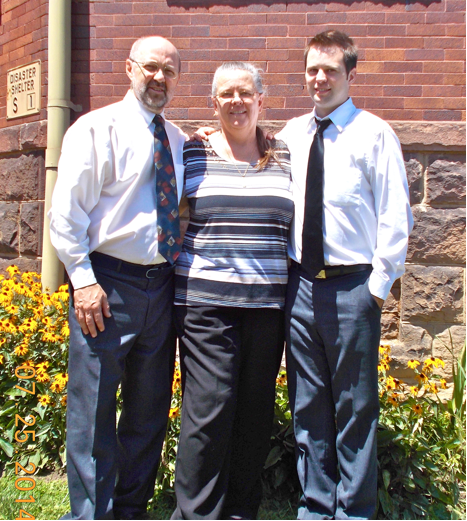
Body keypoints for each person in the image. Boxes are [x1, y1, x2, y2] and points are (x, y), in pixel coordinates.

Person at [276, 31, 414, 520]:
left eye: (330, 70)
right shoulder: (291, 134)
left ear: (350, 75)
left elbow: (397, 218)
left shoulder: (374, 133)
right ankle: (316, 505)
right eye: (312, 68)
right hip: (301, 288)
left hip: (353, 287)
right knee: (308, 405)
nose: (319, 78)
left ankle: (353, 511)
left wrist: (376, 290)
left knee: (355, 408)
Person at [49, 36, 186, 520]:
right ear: (129, 68)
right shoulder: (95, 129)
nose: (159, 78)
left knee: (149, 411)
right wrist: (83, 281)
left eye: (169, 71)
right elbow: (66, 216)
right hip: (107, 286)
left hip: (162, 287)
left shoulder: (176, 139)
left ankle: (130, 508)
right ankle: (91, 514)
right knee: (93, 412)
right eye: (151, 67)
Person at [171, 62, 293, 521]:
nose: (236, 101)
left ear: (262, 99)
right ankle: (197, 513)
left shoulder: (286, 153)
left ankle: (242, 510)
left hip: (266, 306)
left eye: (245, 93)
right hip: (204, 304)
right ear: (214, 103)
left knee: (254, 411)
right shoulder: (192, 152)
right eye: (226, 94)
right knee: (209, 410)